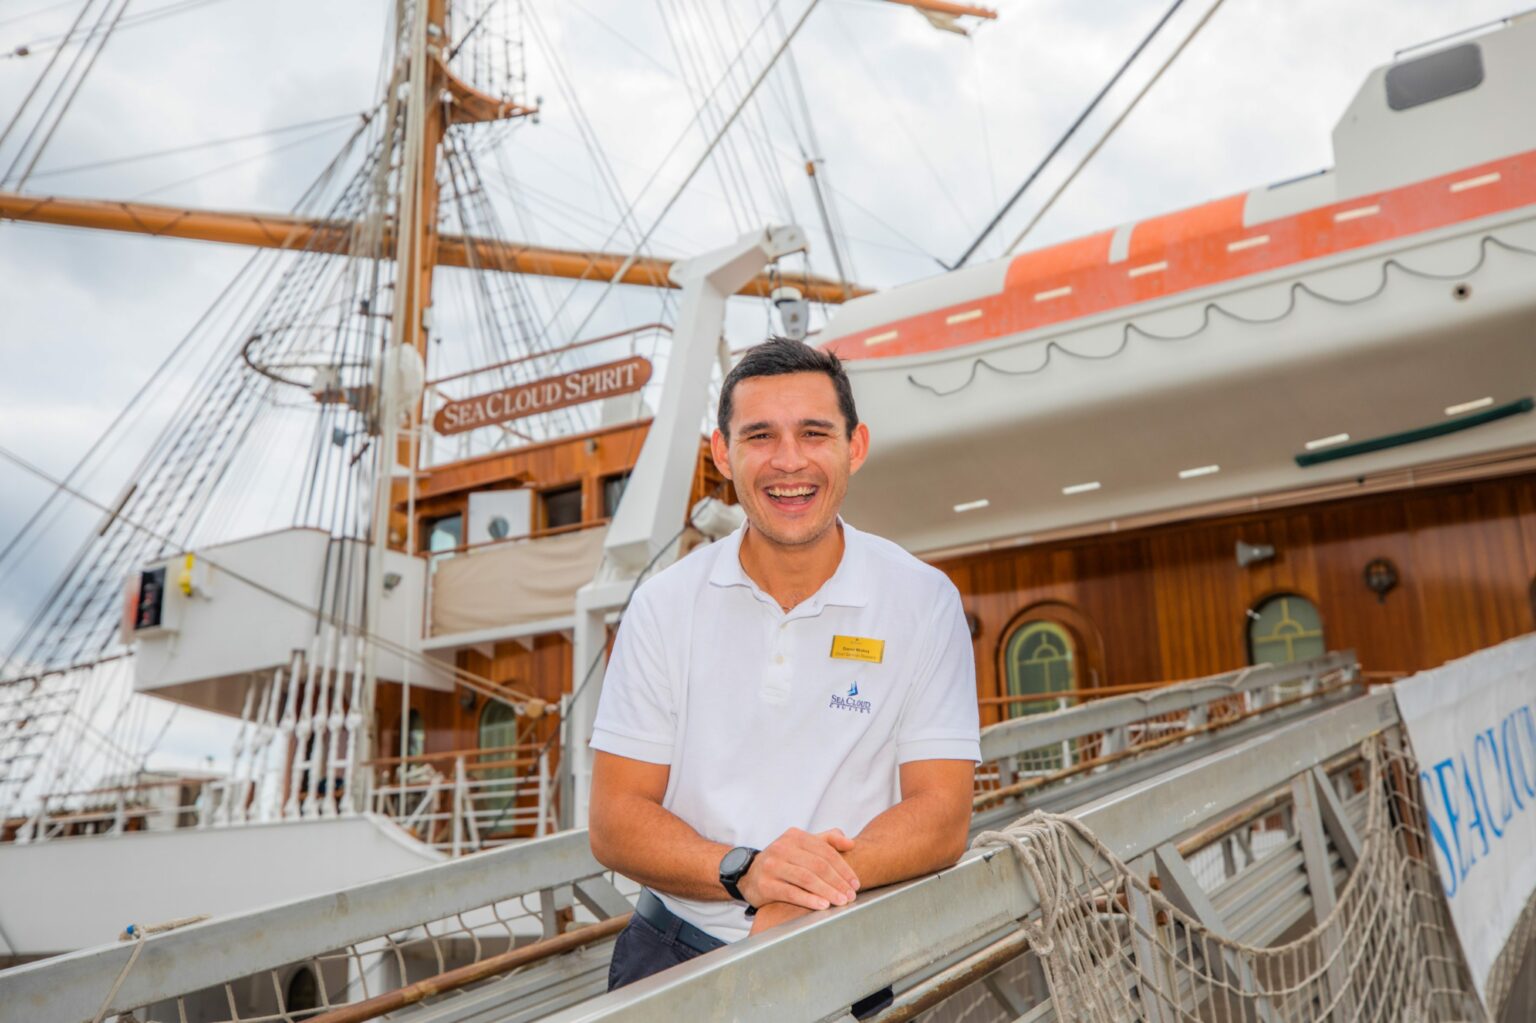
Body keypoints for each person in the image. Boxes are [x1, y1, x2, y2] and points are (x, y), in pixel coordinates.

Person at [588, 337, 980, 1012]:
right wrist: (746, 872)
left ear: (854, 447)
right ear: (723, 453)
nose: (789, 460)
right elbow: (615, 818)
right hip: (673, 953)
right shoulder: (663, 606)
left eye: (814, 433)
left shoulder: (922, 599)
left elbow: (943, 814)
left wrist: (803, 892)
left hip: (848, 949)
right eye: (761, 435)